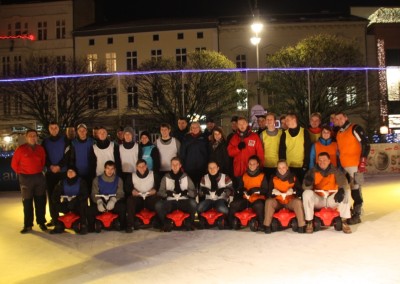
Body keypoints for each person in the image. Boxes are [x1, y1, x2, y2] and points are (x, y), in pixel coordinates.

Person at [302, 152, 352, 234]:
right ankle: (309, 221)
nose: (322, 162)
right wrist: (307, 184)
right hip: (319, 199)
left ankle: (344, 221)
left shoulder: (336, 171)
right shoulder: (312, 171)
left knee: (346, 192)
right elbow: (305, 187)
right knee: (306, 193)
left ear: (329, 161)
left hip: (331, 199)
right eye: (320, 160)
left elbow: (343, 182)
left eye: (324, 160)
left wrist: (341, 190)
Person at [335, 112, 370, 224]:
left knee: (356, 190)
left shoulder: (354, 128)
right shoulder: (339, 132)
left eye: (341, 118)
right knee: (343, 189)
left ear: (346, 118)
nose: (339, 120)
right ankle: (347, 211)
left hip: (356, 166)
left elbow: (366, 144)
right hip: (344, 166)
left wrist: (363, 160)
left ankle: (357, 213)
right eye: (337, 119)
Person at [11, 129, 48, 234]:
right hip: (26, 179)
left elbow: (43, 162)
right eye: (30, 136)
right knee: (27, 203)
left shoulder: (40, 149)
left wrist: (38, 171)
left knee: (40, 201)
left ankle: (41, 222)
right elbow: (14, 164)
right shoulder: (20, 149)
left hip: (38, 177)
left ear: (37, 137)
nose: (33, 137)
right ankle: (28, 225)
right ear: (26, 137)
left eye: (34, 136)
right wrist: (22, 173)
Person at [155, 157, 197, 231]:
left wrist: (187, 192)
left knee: (193, 203)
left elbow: (194, 192)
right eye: (173, 164)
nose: (174, 166)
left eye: (176, 164)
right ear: (170, 165)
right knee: (158, 205)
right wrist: (167, 193)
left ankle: (190, 222)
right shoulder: (165, 177)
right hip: (170, 201)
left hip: (183, 201)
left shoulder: (186, 177)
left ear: (180, 165)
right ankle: (166, 223)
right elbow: (160, 192)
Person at [42, 121, 72, 227]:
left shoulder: (65, 140)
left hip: (62, 172)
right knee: (52, 197)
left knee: (65, 195)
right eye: (52, 128)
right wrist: (51, 166)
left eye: (55, 128)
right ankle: (54, 219)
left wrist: (59, 166)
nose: (54, 130)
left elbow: (67, 156)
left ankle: (67, 217)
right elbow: (44, 156)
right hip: (50, 173)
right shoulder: (45, 141)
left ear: (59, 129)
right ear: (49, 129)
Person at [263, 159, 305, 234]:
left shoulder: (293, 177)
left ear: (287, 167)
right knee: (269, 202)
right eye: (279, 168)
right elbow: (268, 193)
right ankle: (267, 225)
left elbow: (300, 191)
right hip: (278, 201)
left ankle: (301, 225)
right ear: (277, 169)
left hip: (289, 200)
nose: (281, 170)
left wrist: (293, 190)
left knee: (298, 202)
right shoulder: (273, 177)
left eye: (283, 167)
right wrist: (274, 192)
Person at [228, 155, 267, 229]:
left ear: (258, 164)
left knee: (258, 205)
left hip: (258, 199)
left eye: (254, 164)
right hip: (246, 198)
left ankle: (262, 224)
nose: (252, 166)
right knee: (234, 204)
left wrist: (254, 190)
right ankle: (230, 223)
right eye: (250, 164)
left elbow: (265, 190)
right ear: (248, 164)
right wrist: (242, 190)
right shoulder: (244, 175)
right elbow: (240, 188)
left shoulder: (262, 175)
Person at [49, 166, 89, 235]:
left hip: (77, 205)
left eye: (72, 172)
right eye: (68, 172)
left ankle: (83, 225)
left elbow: (85, 194)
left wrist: (74, 201)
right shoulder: (62, 182)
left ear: (76, 173)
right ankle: (57, 224)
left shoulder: (81, 182)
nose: (70, 173)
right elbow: (56, 193)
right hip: (67, 204)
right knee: (53, 205)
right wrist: (56, 201)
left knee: (83, 205)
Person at [125, 159, 160, 233]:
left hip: (150, 197)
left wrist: (155, 190)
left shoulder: (153, 174)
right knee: (130, 200)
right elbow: (127, 188)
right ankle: (130, 225)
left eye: (143, 166)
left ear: (146, 166)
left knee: (158, 201)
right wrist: (132, 191)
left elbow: (158, 186)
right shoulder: (132, 176)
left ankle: (158, 222)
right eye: (139, 166)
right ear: (136, 167)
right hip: (138, 198)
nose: (141, 168)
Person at [89, 160, 126, 231]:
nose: (110, 171)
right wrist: (99, 201)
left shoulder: (119, 180)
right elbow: (94, 193)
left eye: (112, 169)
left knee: (122, 207)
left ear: (114, 170)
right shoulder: (97, 179)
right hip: (101, 201)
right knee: (90, 210)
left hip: (113, 202)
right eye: (108, 168)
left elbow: (121, 193)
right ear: (104, 169)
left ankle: (122, 226)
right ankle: (91, 228)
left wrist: (113, 200)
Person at [227, 116, 264, 188]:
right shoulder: (234, 138)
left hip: (251, 169)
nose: (242, 126)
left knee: (251, 189)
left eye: (243, 123)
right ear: (237, 125)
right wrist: (238, 148)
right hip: (238, 170)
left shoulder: (254, 136)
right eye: (239, 124)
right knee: (239, 190)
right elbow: (230, 153)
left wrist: (260, 166)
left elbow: (260, 153)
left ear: (247, 124)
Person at [279, 113, 311, 184]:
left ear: (294, 119)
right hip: (289, 167)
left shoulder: (304, 132)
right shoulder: (284, 134)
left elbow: (307, 149)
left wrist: (306, 164)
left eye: (287, 120)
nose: (286, 122)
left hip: (301, 166)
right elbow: (282, 150)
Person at [180, 121, 209, 188]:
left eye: (196, 127)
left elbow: (208, 152)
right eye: (193, 127)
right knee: (191, 186)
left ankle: (201, 198)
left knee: (201, 186)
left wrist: (207, 164)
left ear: (199, 128)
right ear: (191, 128)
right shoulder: (186, 138)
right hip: (189, 167)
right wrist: (182, 165)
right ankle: (192, 198)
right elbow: (182, 153)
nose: (195, 129)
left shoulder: (204, 137)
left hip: (202, 167)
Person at [71, 123, 94, 190]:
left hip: (89, 172)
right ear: (77, 132)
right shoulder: (74, 143)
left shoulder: (92, 142)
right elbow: (72, 158)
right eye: (80, 130)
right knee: (80, 192)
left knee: (90, 191)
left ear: (86, 131)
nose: (82, 132)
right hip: (78, 172)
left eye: (83, 130)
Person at [260, 113, 282, 180]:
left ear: (275, 121)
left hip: (279, 165)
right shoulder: (262, 135)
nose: (269, 121)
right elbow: (260, 150)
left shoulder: (281, 133)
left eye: (271, 119)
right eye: (267, 119)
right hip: (266, 164)